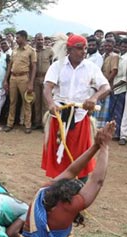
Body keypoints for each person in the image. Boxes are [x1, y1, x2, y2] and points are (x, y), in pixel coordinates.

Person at [42, 34, 110, 179]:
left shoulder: (91, 67)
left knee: (81, 153)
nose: (83, 51)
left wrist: (93, 98)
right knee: (58, 153)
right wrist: (51, 103)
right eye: (79, 48)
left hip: (80, 117)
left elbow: (106, 87)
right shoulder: (57, 66)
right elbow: (47, 88)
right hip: (59, 116)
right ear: (69, 49)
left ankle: (79, 186)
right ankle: (57, 187)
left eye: (85, 48)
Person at [3, 31, 36, 133]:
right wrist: (5, 80)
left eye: (18, 38)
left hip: (24, 78)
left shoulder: (31, 50)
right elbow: (10, 65)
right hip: (13, 78)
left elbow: (34, 67)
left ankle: (27, 125)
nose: (16, 40)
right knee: (12, 101)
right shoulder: (14, 50)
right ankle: (9, 124)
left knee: (26, 102)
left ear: (24, 38)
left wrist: (31, 83)